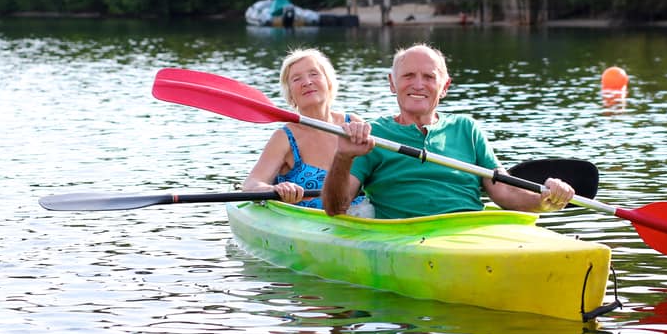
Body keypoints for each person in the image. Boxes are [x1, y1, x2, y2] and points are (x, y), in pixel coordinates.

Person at [322, 43, 574, 218]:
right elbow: (335, 207)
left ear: (445, 86)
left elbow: (505, 191)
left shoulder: (467, 129)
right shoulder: (373, 136)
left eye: (429, 77)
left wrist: (545, 200)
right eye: (408, 75)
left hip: (470, 234)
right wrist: (343, 157)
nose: (418, 85)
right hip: (406, 237)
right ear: (392, 83)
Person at [243, 48, 371, 216]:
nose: (307, 82)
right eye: (296, 79)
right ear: (290, 94)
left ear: (328, 82)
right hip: (309, 227)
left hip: (361, 221)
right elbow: (252, 184)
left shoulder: (353, 124)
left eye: (314, 74)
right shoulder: (285, 137)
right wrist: (274, 189)